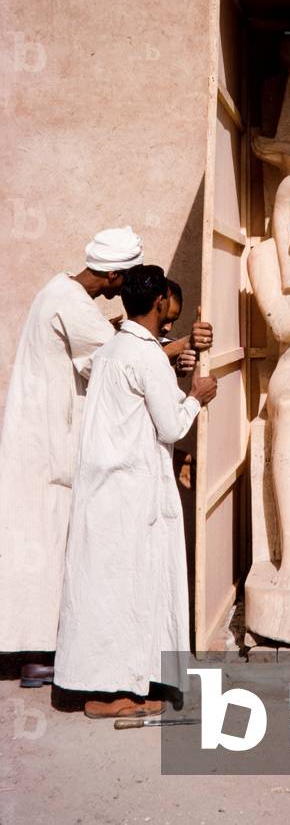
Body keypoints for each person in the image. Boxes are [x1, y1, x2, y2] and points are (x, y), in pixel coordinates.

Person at [53, 265, 217, 719]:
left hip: (106, 489)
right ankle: (108, 695)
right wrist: (198, 396)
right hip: (129, 492)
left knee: (108, 588)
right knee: (125, 590)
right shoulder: (144, 358)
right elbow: (172, 425)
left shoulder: (112, 350)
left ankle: (119, 682)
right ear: (161, 303)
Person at [0, 226, 143, 687]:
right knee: (50, 544)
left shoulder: (59, 290)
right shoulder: (74, 304)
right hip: (50, 444)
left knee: (41, 544)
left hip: (38, 440)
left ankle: (38, 651)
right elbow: (112, 361)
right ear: (115, 275)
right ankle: (42, 656)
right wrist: (173, 348)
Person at [159, 279, 213, 377]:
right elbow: (149, 357)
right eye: (165, 320)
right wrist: (188, 341)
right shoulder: (130, 341)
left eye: (173, 321)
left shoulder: (166, 341)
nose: (168, 328)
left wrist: (179, 366)